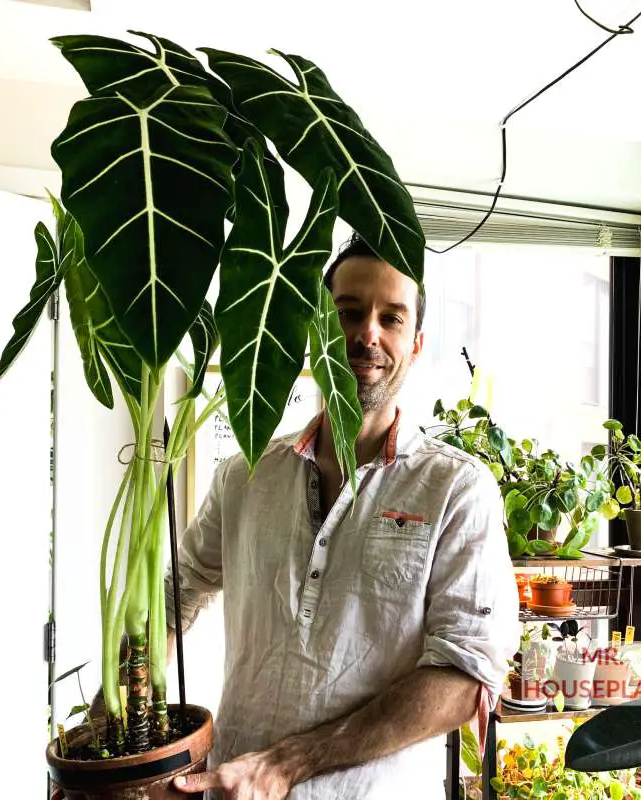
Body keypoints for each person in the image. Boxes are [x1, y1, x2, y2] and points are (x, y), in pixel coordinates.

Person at [167, 234, 520, 799]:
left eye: (391, 318)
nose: (367, 334)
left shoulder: (457, 489)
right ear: (315, 330)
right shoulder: (244, 475)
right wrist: (122, 738)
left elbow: (465, 676)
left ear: (417, 343)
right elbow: (175, 597)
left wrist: (283, 764)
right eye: (348, 312)